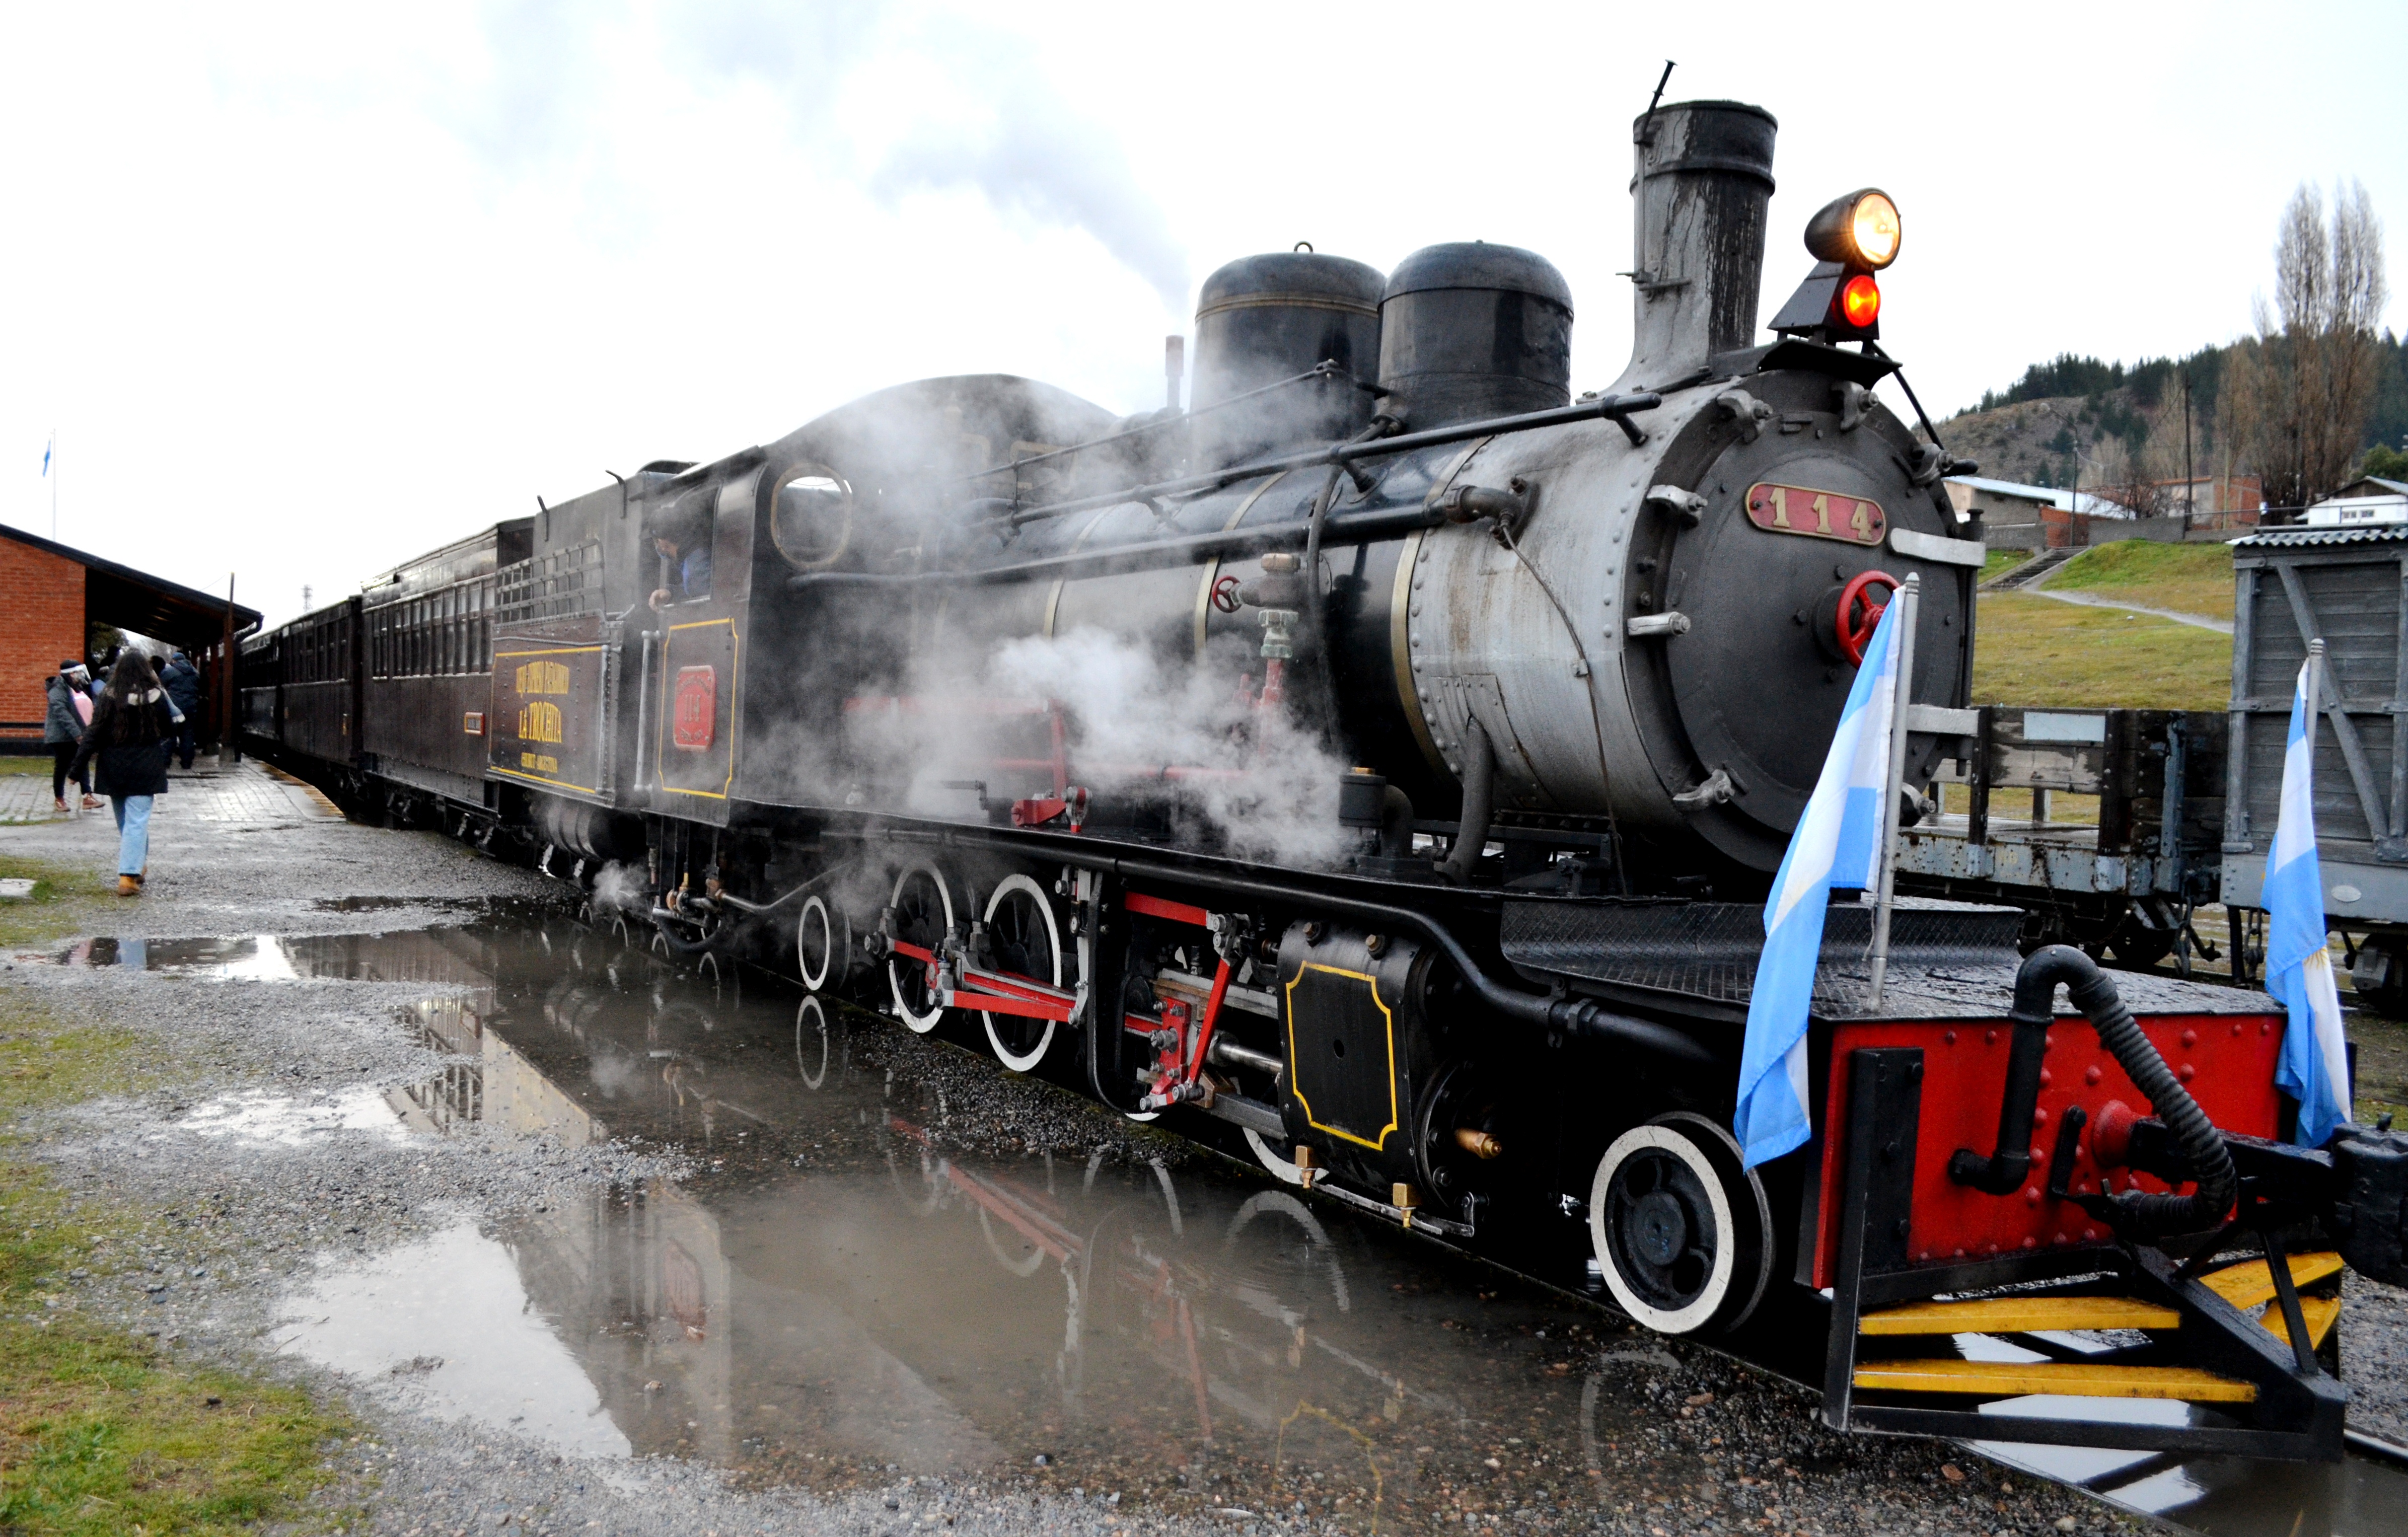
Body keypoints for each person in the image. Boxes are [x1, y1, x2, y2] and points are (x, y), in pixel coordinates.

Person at [67, 651, 176, 897]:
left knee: (127, 823)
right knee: (137, 822)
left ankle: (137, 866)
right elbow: (169, 729)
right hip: (146, 766)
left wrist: (76, 769)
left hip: (113, 766)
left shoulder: (108, 696)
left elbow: (94, 733)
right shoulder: (157, 696)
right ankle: (128, 875)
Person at [43, 661, 102, 812]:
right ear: (70, 674)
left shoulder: (76, 687)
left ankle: (87, 796)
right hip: (60, 736)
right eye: (77, 673)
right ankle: (59, 798)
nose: (80, 676)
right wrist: (77, 734)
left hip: (77, 732)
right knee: (62, 766)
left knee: (81, 761)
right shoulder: (57, 689)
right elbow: (62, 713)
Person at [647, 530, 712, 611]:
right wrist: (670, 593)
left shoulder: (694, 565)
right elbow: (695, 588)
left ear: (663, 543)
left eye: (656, 542)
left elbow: (703, 591)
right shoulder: (692, 559)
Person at [160, 649, 202, 769]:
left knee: (170, 734)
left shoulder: (169, 671)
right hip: (191, 708)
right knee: (188, 735)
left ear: (174, 661)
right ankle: (187, 763)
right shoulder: (195, 672)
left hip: (174, 708)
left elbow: (161, 685)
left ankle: (165, 762)